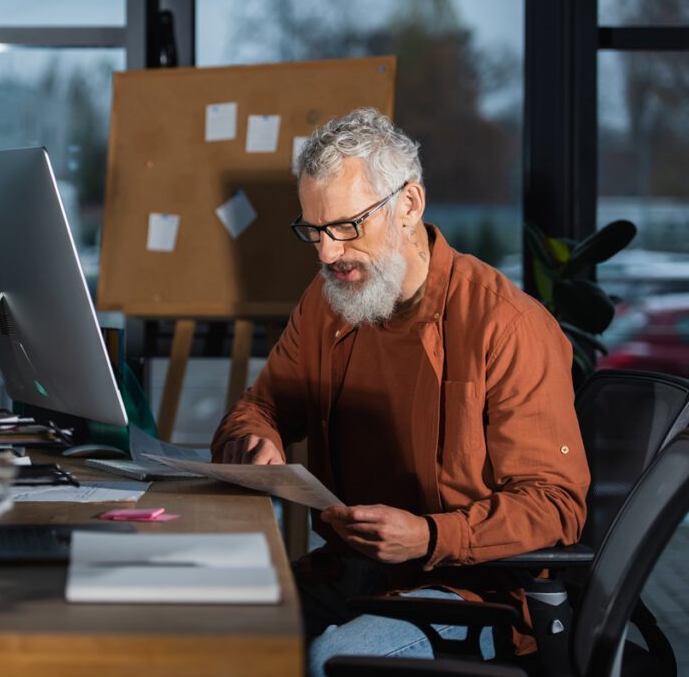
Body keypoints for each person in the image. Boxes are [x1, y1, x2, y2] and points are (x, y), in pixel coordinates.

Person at [211, 107, 590, 676]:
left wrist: (430, 535)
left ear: (408, 205)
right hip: (354, 570)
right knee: (210, 632)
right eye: (313, 230)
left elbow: (556, 505)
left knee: (334, 660)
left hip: (473, 595)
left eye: (346, 226)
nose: (326, 253)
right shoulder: (327, 303)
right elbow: (260, 407)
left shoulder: (505, 325)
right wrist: (255, 441)